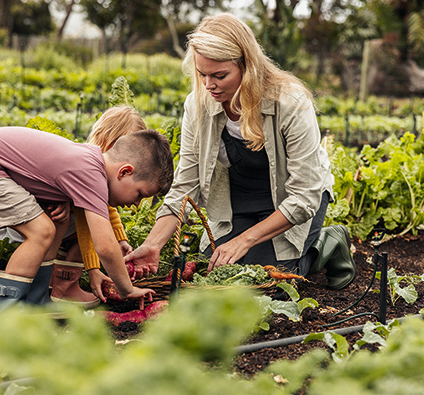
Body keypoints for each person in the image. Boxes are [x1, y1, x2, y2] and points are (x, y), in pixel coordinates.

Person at [125, 13, 355, 290]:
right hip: (239, 196)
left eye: (220, 75)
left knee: (268, 282)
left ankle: (327, 243)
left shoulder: (290, 103)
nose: (209, 85)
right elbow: (186, 185)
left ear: (247, 66)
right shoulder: (198, 106)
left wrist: (244, 240)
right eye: (202, 75)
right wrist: (152, 245)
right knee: (218, 272)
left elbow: (305, 196)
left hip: (291, 198)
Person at [0, 126, 174, 315]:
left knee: (57, 223)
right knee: (41, 231)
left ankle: (36, 302)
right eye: (140, 195)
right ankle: (4, 319)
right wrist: (126, 289)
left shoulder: (89, 162)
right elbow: (105, 246)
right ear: (124, 172)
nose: (136, 205)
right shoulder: (91, 174)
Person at [51, 106, 146, 308]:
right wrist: (94, 270)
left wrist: (120, 238)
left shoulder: (101, 169)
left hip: (63, 222)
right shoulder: (91, 170)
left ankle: (58, 278)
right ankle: (64, 286)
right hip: (55, 219)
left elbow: (107, 209)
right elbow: (88, 225)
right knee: (92, 236)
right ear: (106, 141)